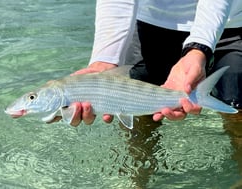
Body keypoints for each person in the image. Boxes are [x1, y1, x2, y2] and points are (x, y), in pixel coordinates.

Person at [66, 0, 242, 127]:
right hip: (150, 22)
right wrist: (105, 60)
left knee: (237, 112)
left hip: (231, 22)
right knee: (135, 117)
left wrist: (198, 48)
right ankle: (137, 177)